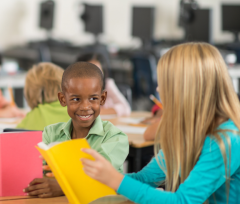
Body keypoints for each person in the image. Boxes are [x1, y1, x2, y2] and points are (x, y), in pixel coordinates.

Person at [80, 43, 240, 203]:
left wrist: (114, 179)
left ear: (186, 88)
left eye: (164, 82)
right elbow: (144, 178)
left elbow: (182, 201)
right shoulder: (185, 130)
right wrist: (91, 179)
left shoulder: (226, 140)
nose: (158, 88)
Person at [24, 62, 129, 198]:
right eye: (76, 99)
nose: (85, 106)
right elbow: (37, 169)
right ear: (63, 99)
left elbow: (101, 177)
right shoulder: (51, 133)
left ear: (102, 98)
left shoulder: (115, 137)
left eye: (93, 98)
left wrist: (62, 186)